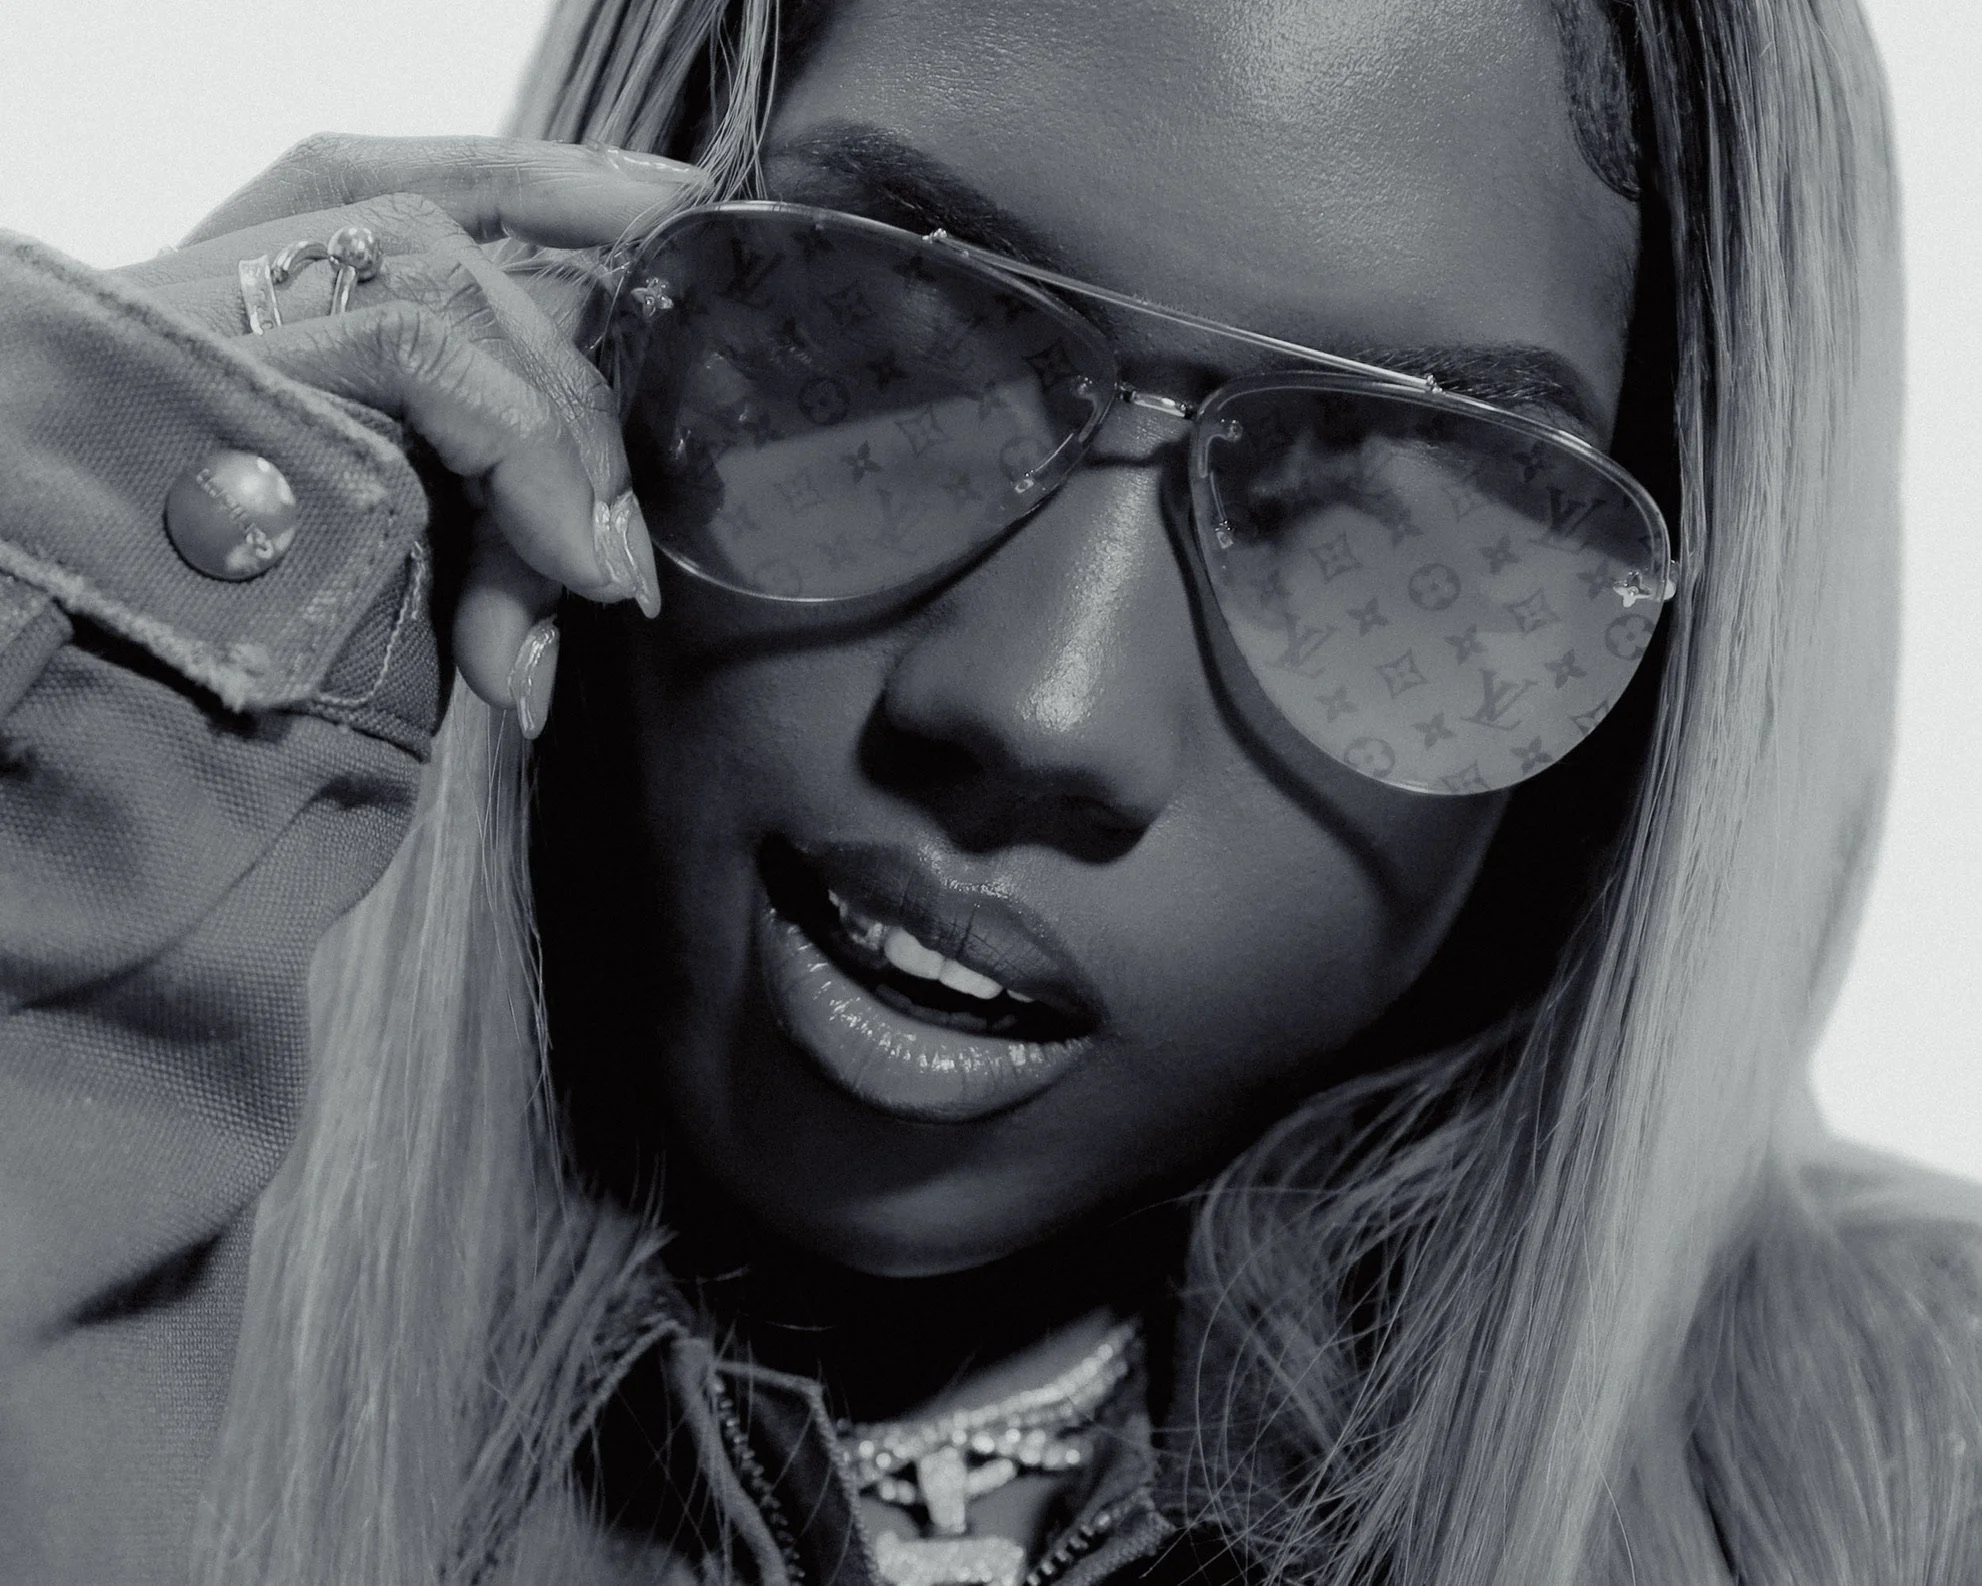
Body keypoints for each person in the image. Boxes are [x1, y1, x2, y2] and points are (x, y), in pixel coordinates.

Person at [1, 0, 1976, 1582]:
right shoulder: (119, 1205)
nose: (1038, 707)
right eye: (863, 336)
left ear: (1670, 703)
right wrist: (76, 609)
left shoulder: (1911, 1479)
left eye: (1394, 518)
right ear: (582, 291)